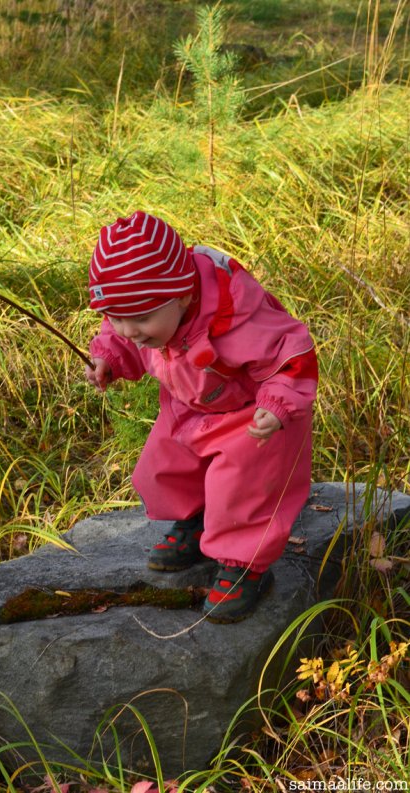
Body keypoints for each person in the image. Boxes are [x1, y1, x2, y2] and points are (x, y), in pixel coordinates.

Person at [85, 211, 318, 623]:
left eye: (140, 318)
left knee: (241, 486)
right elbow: (121, 334)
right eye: (117, 317)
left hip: (250, 418)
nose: (129, 329)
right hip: (189, 407)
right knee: (164, 467)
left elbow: (289, 352)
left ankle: (243, 562)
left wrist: (277, 406)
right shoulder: (146, 312)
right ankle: (196, 520)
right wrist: (109, 357)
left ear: (184, 297)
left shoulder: (234, 313)